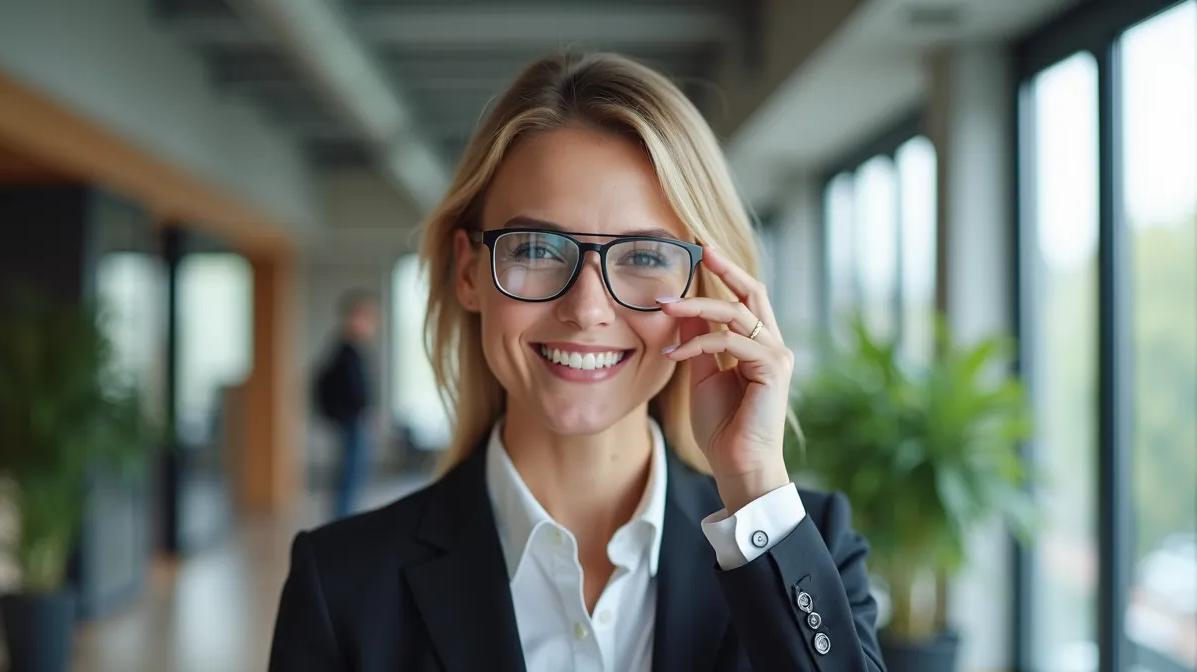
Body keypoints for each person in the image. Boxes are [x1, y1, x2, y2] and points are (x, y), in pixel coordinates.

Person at [271, 52, 884, 671]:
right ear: (467, 273)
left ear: (706, 289)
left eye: (644, 256)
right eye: (537, 247)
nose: (587, 308)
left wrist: (753, 483)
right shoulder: (342, 585)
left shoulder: (802, 547)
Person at [311, 290, 378, 519]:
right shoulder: (343, 352)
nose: (371, 324)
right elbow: (330, 386)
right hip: (351, 422)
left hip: (354, 421)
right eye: (366, 317)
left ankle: (344, 520)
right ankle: (341, 522)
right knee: (349, 478)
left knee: (353, 477)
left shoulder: (354, 351)